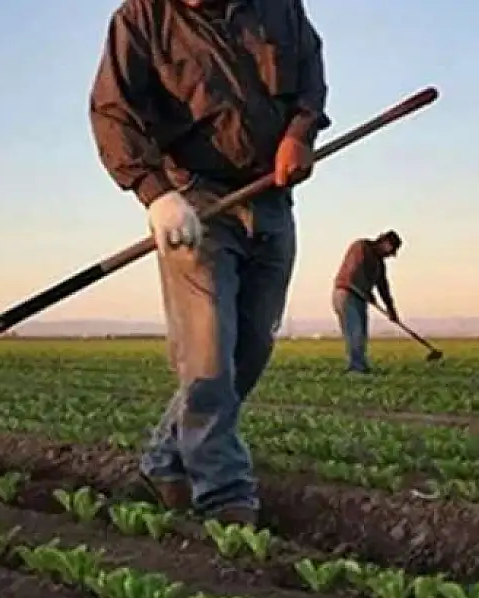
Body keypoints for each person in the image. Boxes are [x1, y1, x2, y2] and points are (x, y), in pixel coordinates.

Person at [89, 0, 329, 525]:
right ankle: (224, 495)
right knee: (209, 357)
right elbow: (112, 110)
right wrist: (155, 194)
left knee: (251, 349)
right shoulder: (141, 18)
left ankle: (162, 462)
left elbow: (310, 75)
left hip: (270, 197)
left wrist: (299, 133)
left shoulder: (280, 7)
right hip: (194, 202)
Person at [331, 230, 402, 373]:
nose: (390, 255)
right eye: (391, 250)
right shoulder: (361, 247)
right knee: (354, 331)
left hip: (360, 297)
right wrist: (367, 292)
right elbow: (355, 270)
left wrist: (391, 310)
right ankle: (356, 368)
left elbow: (383, 287)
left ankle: (360, 365)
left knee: (361, 333)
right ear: (385, 243)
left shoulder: (379, 264)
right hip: (346, 293)